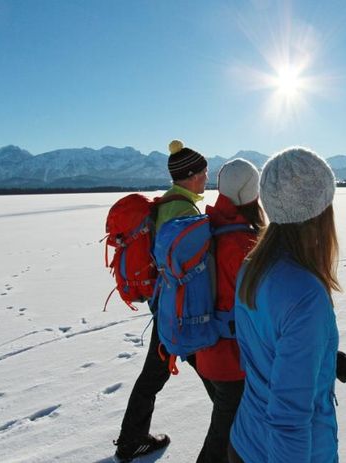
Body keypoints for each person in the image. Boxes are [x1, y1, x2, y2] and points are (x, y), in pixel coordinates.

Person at [228, 147, 346, 463]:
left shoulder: (252, 268)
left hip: (246, 439)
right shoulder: (306, 294)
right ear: (320, 210)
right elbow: (289, 418)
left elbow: (267, 349)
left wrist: (324, 355)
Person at [114, 139, 212, 462]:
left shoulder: (167, 203)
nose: (207, 178)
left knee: (155, 374)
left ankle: (131, 439)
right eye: (204, 172)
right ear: (191, 174)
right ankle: (239, 432)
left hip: (166, 304)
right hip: (181, 308)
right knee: (217, 377)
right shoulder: (181, 210)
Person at [194, 158, 265, 463]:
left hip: (206, 350)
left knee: (229, 432)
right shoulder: (242, 242)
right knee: (224, 439)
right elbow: (260, 307)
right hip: (232, 361)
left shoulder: (208, 227)